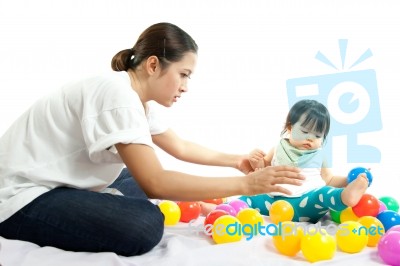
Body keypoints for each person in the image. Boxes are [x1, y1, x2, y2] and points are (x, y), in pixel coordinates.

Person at [0, 22, 305, 256]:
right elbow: (155, 182)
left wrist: (235, 161)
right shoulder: (117, 95)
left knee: (142, 183)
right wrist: (247, 186)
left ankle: (93, 202)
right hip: (22, 197)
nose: (185, 86)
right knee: (145, 224)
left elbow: (180, 147)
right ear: (153, 65)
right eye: (183, 74)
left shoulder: (136, 99)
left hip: (63, 181)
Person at [239, 99, 369, 223]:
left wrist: (349, 180)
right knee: (248, 195)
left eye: (317, 136)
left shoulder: (319, 155)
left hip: (306, 204)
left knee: (323, 194)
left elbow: (329, 180)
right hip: (272, 202)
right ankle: (231, 208)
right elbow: (262, 169)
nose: (310, 138)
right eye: (305, 131)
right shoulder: (278, 148)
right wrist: (256, 161)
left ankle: (345, 197)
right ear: (290, 128)